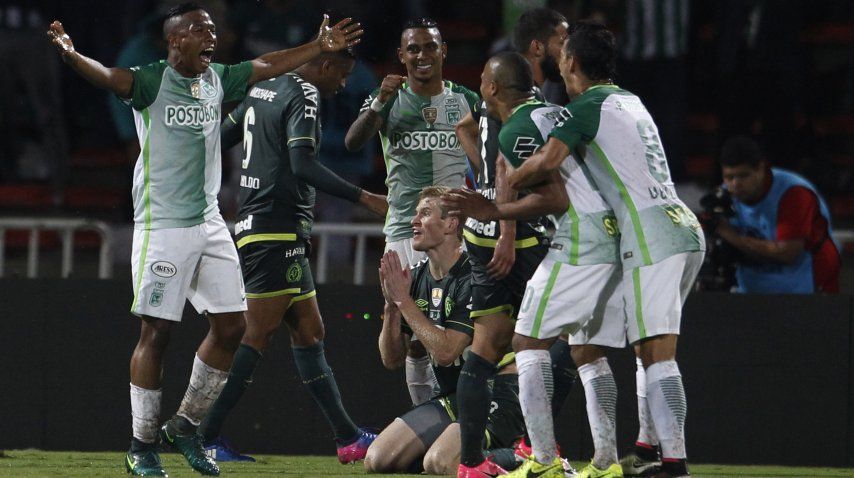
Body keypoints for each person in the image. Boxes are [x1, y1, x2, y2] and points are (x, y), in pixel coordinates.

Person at [46, 3, 362, 476]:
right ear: (175, 40)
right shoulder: (150, 80)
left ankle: (186, 425)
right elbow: (109, 77)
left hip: (211, 221)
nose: (211, 35)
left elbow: (266, 65)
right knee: (157, 332)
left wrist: (318, 46)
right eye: (198, 29)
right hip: (163, 226)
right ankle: (141, 446)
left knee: (233, 326)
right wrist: (73, 56)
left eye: (212, 29)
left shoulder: (217, 79)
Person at [504, 21, 706, 478]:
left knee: (657, 354)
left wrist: (506, 182)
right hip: (684, 227)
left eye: (563, 50)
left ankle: (673, 464)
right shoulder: (630, 100)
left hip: (650, 235)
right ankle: (648, 450)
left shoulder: (586, 105)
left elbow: (548, 162)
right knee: (647, 349)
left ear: (571, 61)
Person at [197, 45, 387, 463]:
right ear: (326, 64)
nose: (341, 86)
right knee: (254, 335)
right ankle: (203, 436)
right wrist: (366, 197)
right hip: (274, 229)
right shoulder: (304, 94)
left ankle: (347, 436)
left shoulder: (262, 87)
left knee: (309, 331)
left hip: (265, 225)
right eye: (342, 75)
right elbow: (302, 165)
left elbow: (217, 138)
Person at [444, 50, 624, 478]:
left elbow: (555, 196)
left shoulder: (518, 126)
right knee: (583, 350)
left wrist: (496, 208)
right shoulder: (556, 113)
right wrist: (496, 183)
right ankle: (605, 462)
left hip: (566, 239)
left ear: (491, 87)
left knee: (521, 344)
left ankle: (536, 458)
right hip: (605, 233)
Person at [450, 11, 581, 477]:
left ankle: (470, 464)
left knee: (485, 347)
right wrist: (506, 228)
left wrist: (484, 185)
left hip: (480, 234)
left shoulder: (492, 112)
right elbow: (531, 183)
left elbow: (471, 134)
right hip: (520, 237)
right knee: (568, 339)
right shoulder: (536, 116)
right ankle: (534, 443)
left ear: (489, 87)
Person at [344, 17, 479, 409]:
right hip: (406, 231)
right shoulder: (387, 98)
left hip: (458, 232)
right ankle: (425, 419)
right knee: (414, 339)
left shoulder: (464, 99)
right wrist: (380, 103)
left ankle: (464, 418)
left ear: (443, 52)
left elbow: (489, 158)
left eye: (431, 47)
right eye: (414, 49)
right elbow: (354, 141)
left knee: (461, 329)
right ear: (401, 55)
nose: (423, 55)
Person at [368, 186, 525, 475]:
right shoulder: (415, 277)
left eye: (425, 213)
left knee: (441, 461)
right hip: (452, 394)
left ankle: (524, 457)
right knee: (378, 459)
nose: (414, 220)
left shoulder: (475, 274)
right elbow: (391, 359)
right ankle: (466, 451)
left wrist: (404, 301)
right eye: (415, 213)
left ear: (452, 224)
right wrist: (392, 306)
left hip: (498, 392)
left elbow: (446, 351)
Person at [713, 136, 840, 294]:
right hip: (754, 290)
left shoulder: (794, 194)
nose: (735, 184)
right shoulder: (724, 195)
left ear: (761, 168)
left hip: (806, 290)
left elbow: (787, 253)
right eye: (729, 177)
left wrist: (730, 235)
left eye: (743, 176)